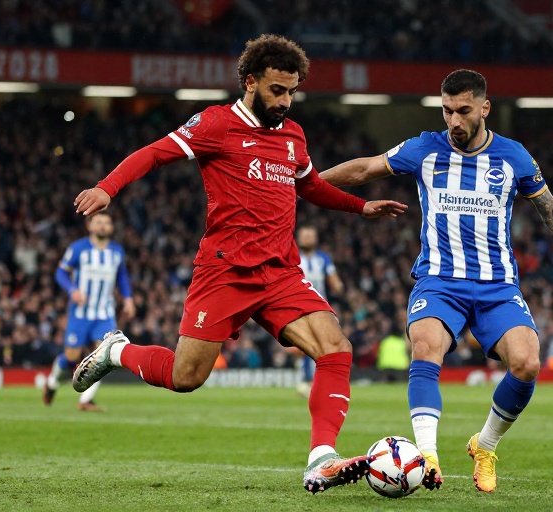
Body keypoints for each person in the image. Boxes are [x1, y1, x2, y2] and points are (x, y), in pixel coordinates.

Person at [70, 34, 407, 493]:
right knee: (185, 377)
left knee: (336, 348)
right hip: (225, 272)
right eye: (277, 90)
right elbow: (153, 153)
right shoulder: (216, 125)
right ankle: (116, 351)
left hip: (280, 272)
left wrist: (359, 207)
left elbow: (308, 186)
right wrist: (108, 188)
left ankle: (320, 457)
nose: (286, 101)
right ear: (250, 82)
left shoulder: (293, 135)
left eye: (292, 91)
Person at [320, 69, 553, 493]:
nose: (454, 121)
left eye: (463, 111)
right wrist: (304, 184)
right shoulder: (424, 148)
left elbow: (552, 212)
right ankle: (427, 457)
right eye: (447, 111)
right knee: (425, 347)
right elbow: (365, 169)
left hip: (497, 285)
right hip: (439, 280)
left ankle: (484, 445)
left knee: (528, 362)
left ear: (484, 108)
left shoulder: (513, 155)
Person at [42, 211, 135, 411]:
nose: (103, 226)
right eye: (99, 222)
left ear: (111, 227)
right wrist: (72, 289)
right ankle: (52, 382)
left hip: (104, 314)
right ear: (89, 226)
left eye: (107, 222)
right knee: (70, 357)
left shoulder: (116, 252)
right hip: (80, 314)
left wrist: (127, 299)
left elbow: (122, 278)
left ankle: (86, 400)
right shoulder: (78, 249)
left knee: (104, 356)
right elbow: (60, 272)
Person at [295, 224, 345, 397]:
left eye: (311, 236)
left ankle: (311, 381)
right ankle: (307, 379)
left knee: (321, 343)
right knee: (306, 344)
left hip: (319, 308)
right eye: (305, 236)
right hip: (296, 307)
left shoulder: (323, 259)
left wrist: (338, 286)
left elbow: (335, 281)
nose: (308, 239)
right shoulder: (291, 256)